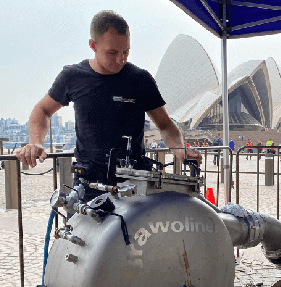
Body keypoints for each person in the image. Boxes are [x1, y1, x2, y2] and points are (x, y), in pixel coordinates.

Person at [15, 10, 201, 203]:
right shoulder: (72, 76)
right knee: (80, 234)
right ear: (93, 45)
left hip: (135, 182)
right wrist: (36, 142)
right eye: (112, 52)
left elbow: (165, 125)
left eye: (126, 51)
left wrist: (180, 149)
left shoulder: (141, 79)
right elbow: (42, 110)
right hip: (88, 183)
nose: (121, 59)